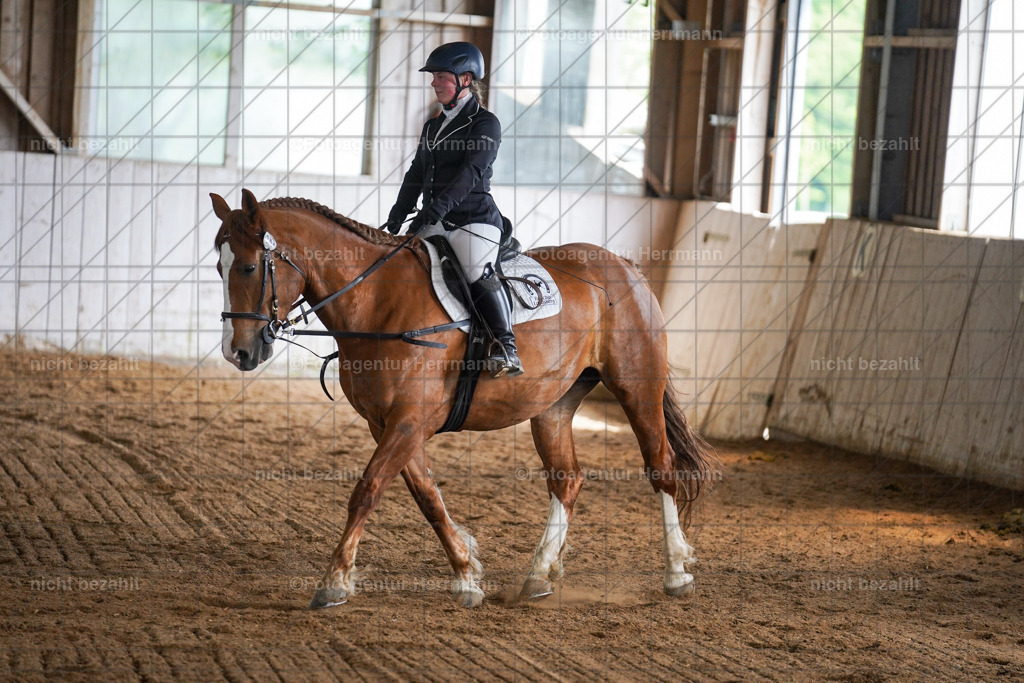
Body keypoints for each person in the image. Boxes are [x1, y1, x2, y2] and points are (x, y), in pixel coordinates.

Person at [384, 42, 523, 378]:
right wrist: (399, 213)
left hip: (473, 219)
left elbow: (471, 173)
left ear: (465, 79)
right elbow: (417, 170)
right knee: (398, 264)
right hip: (435, 217)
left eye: (441, 77)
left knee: (476, 268)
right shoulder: (433, 125)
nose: (434, 83)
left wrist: (435, 210)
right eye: (433, 77)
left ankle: (506, 346)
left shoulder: (485, 123)